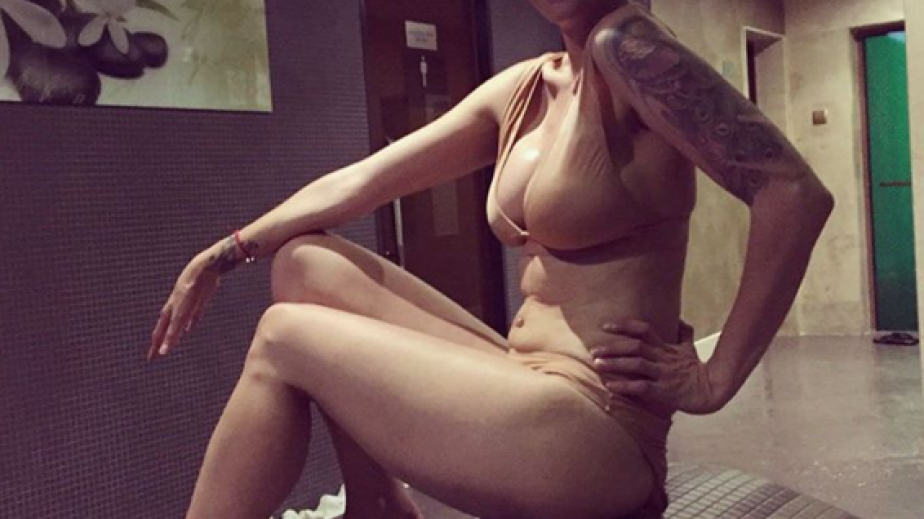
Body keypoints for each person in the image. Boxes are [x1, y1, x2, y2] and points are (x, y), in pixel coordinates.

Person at [150, 1, 834, 518]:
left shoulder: (630, 49)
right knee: (304, 266)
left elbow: (793, 193)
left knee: (284, 337)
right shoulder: (531, 85)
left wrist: (715, 378)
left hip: (596, 431)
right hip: (524, 377)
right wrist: (228, 251)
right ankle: (377, 503)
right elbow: (363, 181)